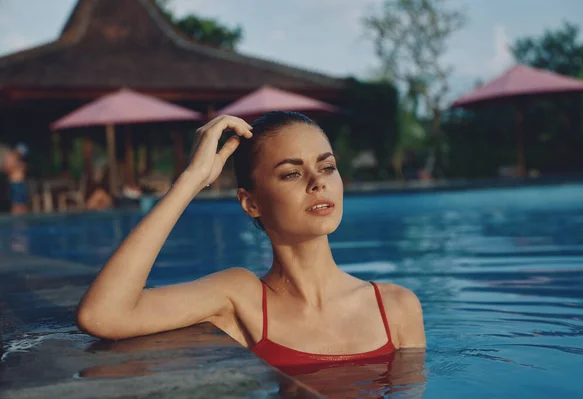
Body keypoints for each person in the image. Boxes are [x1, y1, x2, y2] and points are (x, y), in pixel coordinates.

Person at [75, 112, 426, 370]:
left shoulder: (396, 307)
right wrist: (193, 179)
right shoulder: (240, 298)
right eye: (291, 173)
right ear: (251, 203)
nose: (318, 182)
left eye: (327, 166)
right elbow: (103, 315)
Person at [1, 142, 29, 215]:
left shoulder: (19, 158)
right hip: (15, 183)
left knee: (23, 203)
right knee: (16, 204)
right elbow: (6, 169)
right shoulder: (10, 157)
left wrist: (22, 167)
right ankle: (16, 222)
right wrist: (16, 166)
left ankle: (23, 220)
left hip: (21, 183)